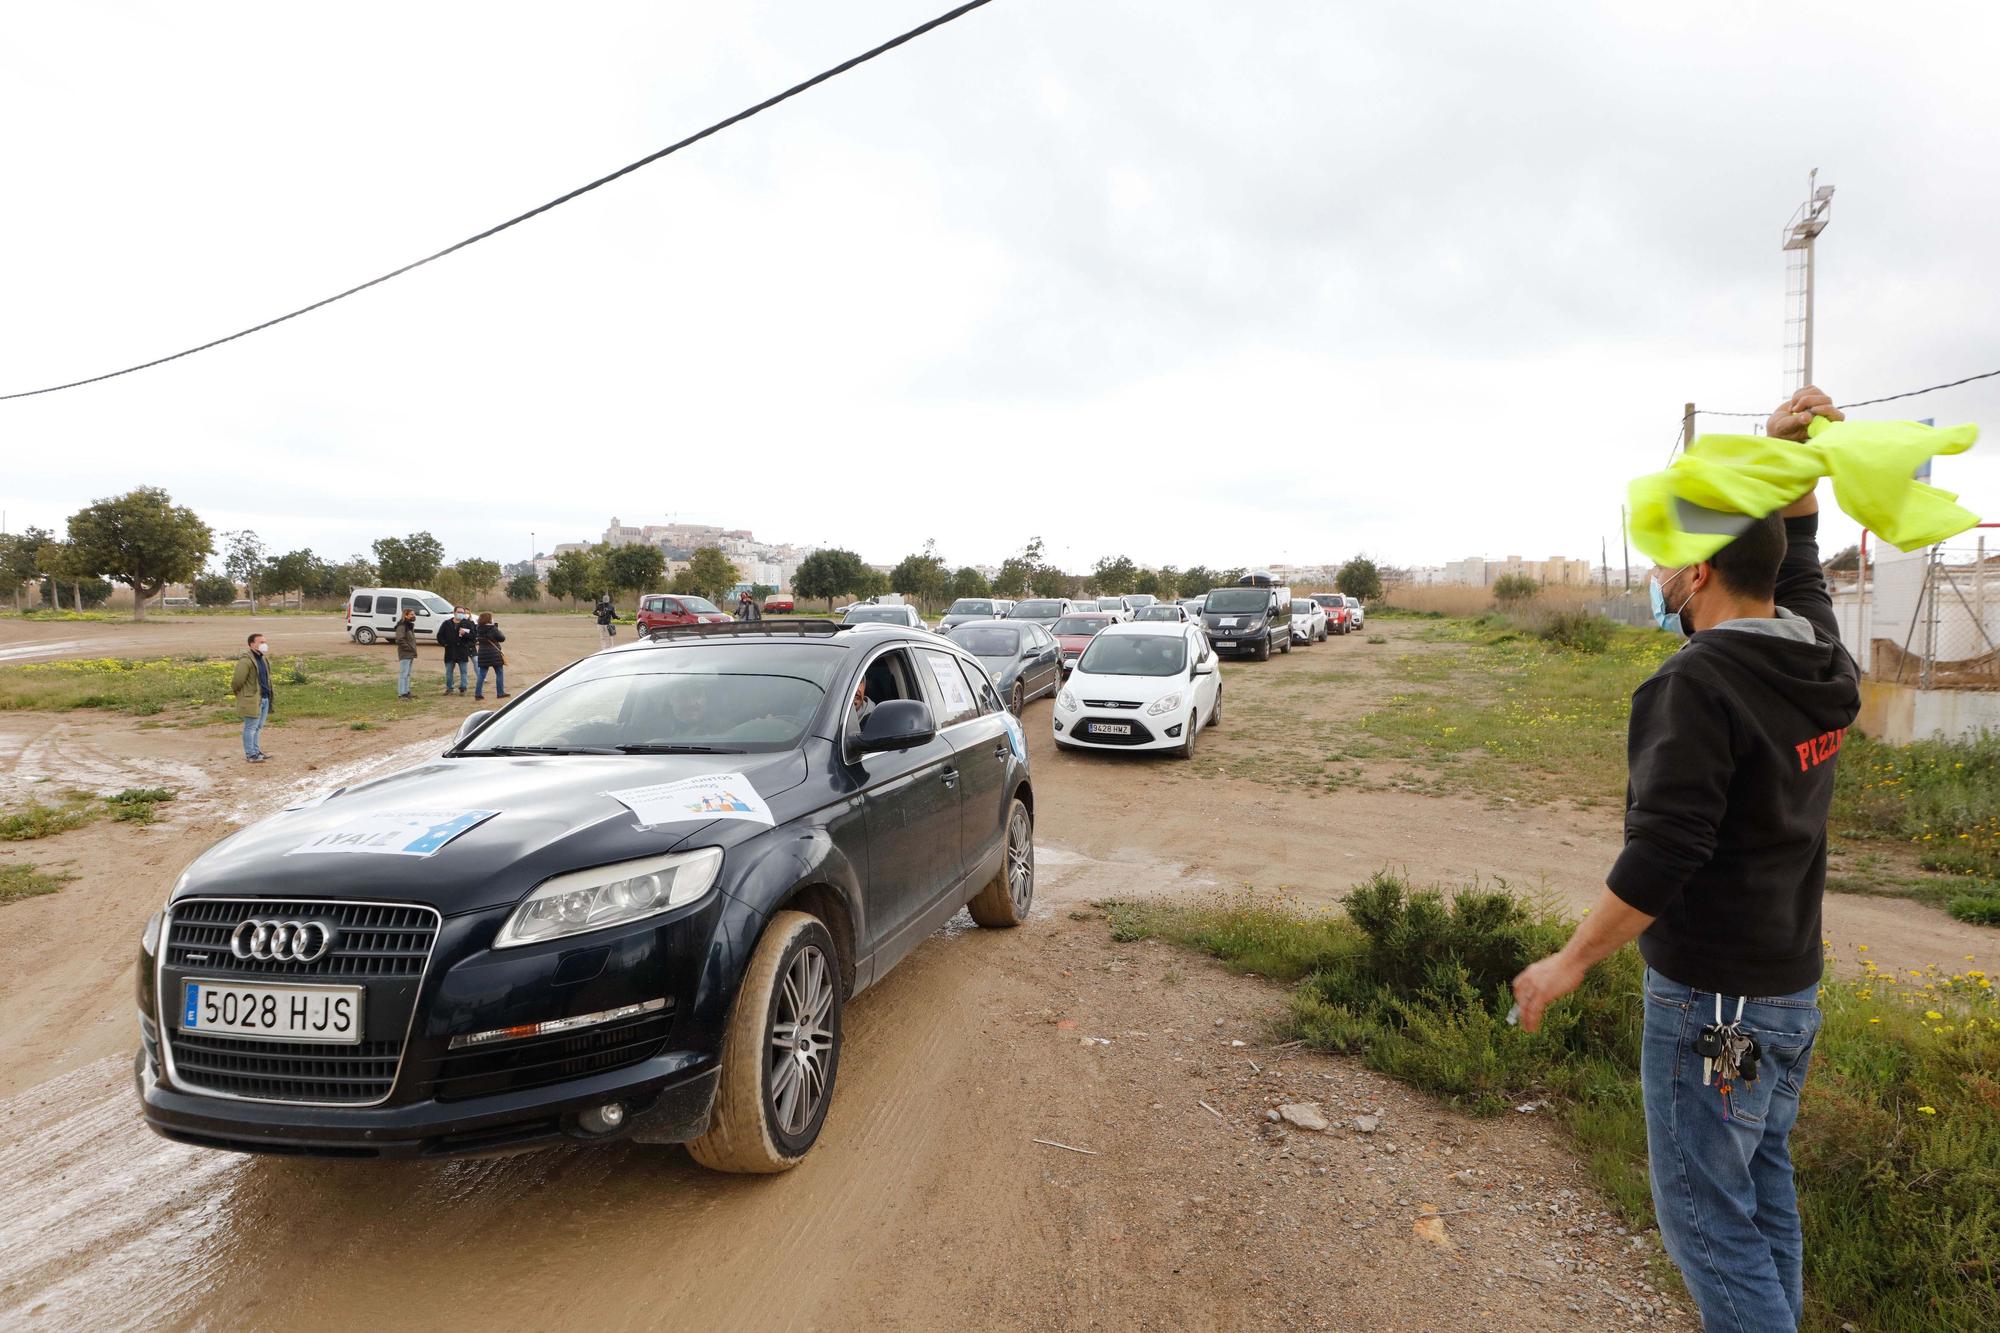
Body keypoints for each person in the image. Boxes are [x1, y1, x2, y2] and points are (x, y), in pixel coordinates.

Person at [1511, 385, 1862, 1332]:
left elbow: (1664, 854)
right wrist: (1788, 473)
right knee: (1761, 1195)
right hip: (1788, 993)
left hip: (1716, 1002)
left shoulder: (1697, 680)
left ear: (1702, 572)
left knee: (1709, 1221)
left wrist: (1568, 960)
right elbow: (1805, 583)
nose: (1663, 574)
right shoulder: (1819, 661)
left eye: (1672, 559)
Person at [232, 632, 274, 762]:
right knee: (250, 727)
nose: (264, 644)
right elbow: (237, 681)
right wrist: (243, 695)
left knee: (258, 727)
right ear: (251, 644)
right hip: (253, 699)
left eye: (265, 642)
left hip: (264, 698)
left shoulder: (263, 658)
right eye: (261, 642)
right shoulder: (246, 660)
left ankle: (256, 751)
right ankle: (251, 754)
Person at [437, 606, 474, 695]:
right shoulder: (446, 623)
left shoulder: (467, 623)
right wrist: (444, 643)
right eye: (459, 612)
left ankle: (463, 688)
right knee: (449, 672)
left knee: (463, 671)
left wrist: (465, 635)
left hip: (462, 651)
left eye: (462, 612)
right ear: (454, 612)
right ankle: (449, 688)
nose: (460, 614)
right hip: (450, 651)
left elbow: (473, 637)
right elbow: (440, 636)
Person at [473, 611, 509, 700]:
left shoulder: (478, 628)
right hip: (494, 653)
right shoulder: (492, 628)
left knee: (481, 674)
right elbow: (502, 638)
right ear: (489, 619)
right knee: (499, 673)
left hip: (482, 653)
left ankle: (478, 694)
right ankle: (500, 693)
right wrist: (496, 628)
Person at [393, 606, 420, 699]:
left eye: (414, 614)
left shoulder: (409, 625)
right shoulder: (402, 625)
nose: (414, 616)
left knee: (407, 674)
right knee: (403, 674)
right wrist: (408, 648)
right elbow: (399, 639)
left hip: (410, 653)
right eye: (412, 614)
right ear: (406, 615)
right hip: (405, 653)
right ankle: (402, 694)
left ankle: (407, 691)